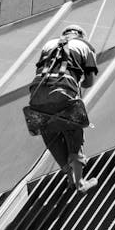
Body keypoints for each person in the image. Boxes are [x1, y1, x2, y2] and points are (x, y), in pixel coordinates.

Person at [26, 24, 99, 193]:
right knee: (73, 131)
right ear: (81, 35)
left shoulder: (49, 45)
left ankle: (69, 177)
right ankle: (80, 182)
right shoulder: (86, 46)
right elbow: (89, 82)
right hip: (63, 90)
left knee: (50, 132)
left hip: (37, 93)